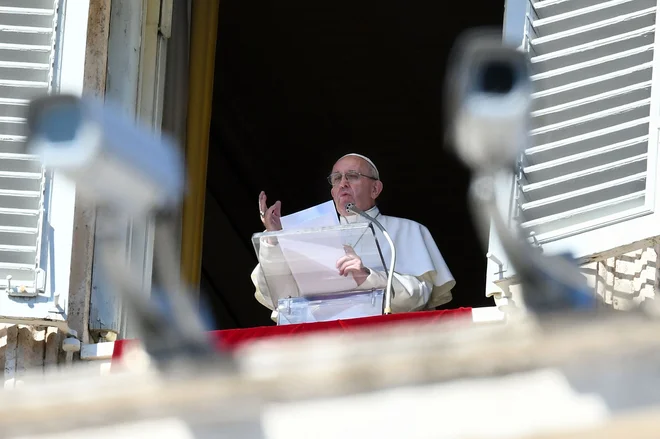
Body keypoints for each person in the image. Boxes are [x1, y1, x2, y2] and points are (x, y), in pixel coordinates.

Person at [251, 153, 456, 321]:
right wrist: (273, 238)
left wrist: (367, 276)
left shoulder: (407, 230)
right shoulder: (307, 234)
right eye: (337, 178)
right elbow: (275, 296)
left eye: (353, 176)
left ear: (375, 188)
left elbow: (420, 295)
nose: (343, 184)